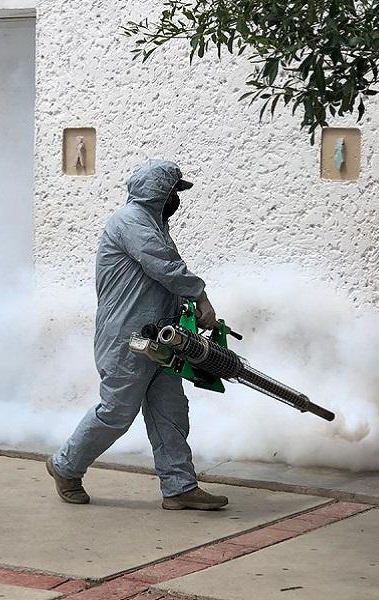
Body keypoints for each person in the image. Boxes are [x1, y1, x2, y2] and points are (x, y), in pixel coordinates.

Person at [46, 159, 228, 511]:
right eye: (175, 192)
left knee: (170, 411)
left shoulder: (154, 226)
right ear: (160, 193)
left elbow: (163, 280)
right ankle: (65, 467)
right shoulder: (130, 223)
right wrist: (200, 295)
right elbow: (164, 267)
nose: (177, 199)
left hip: (161, 337)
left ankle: (179, 487)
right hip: (126, 338)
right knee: (116, 412)